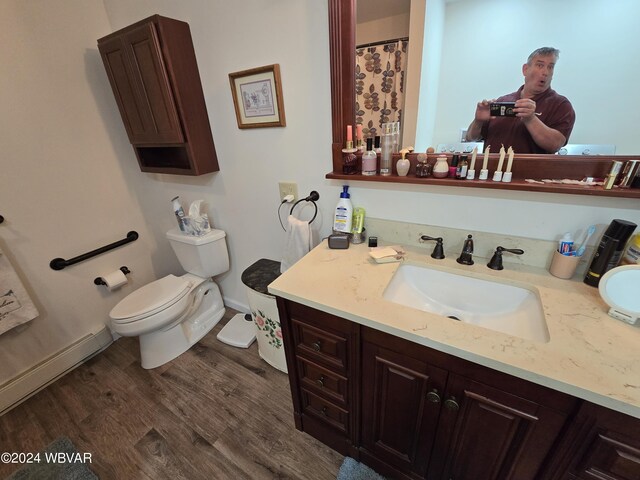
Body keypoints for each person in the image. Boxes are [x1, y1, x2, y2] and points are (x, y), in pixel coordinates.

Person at [465, 47, 575, 154]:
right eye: (540, 65)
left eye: (550, 67)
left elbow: (555, 145)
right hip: (491, 171)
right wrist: (478, 121)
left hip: (531, 172)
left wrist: (531, 119)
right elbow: (470, 137)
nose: (545, 72)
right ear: (525, 69)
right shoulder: (503, 101)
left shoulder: (560, 105)